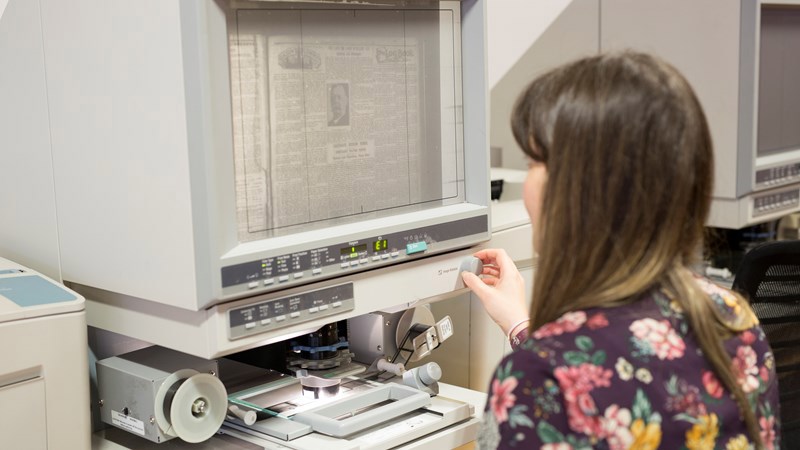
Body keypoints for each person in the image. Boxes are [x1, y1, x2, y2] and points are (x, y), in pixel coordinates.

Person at [462, 52, 780, 449]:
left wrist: (537, 353)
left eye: (532, 162)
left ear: (579, 191)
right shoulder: (733, 319)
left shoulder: (534, 378)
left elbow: (578, 385)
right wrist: (521, 326)